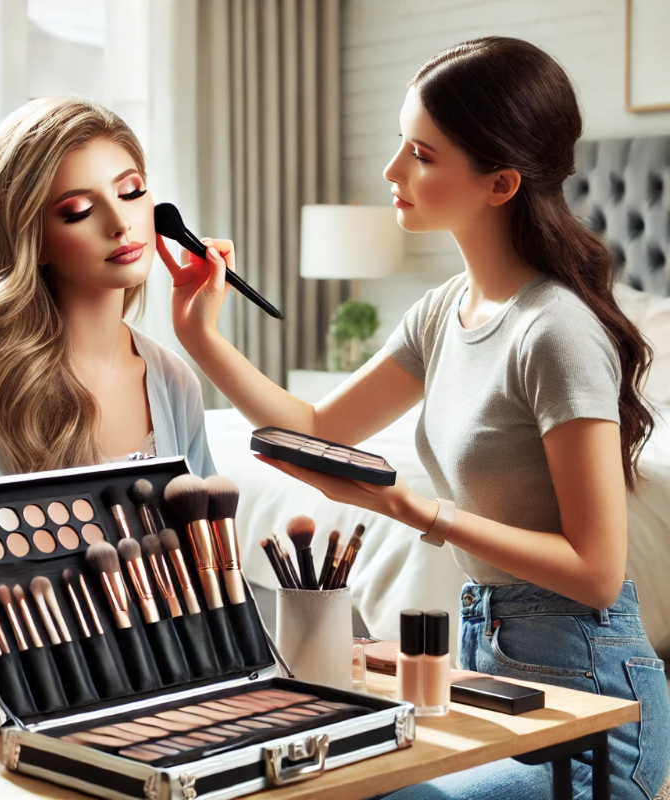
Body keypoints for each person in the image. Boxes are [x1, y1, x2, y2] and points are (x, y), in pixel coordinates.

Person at [158, 37, 670, 799]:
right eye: (402, 142)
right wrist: (198, 331)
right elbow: (319, 430)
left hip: (593, 708)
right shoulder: (442, 312)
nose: (393, 170)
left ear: (499, 183)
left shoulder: (555, 332)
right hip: (494, 675)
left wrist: (418, 511)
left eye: (422, 155)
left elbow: (597, 572)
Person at [0, 97, 215, 536]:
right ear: (33, 241)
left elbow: (208, 536)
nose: (120, 223)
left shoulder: (173, 381)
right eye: (78, 210)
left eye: (131, 191)